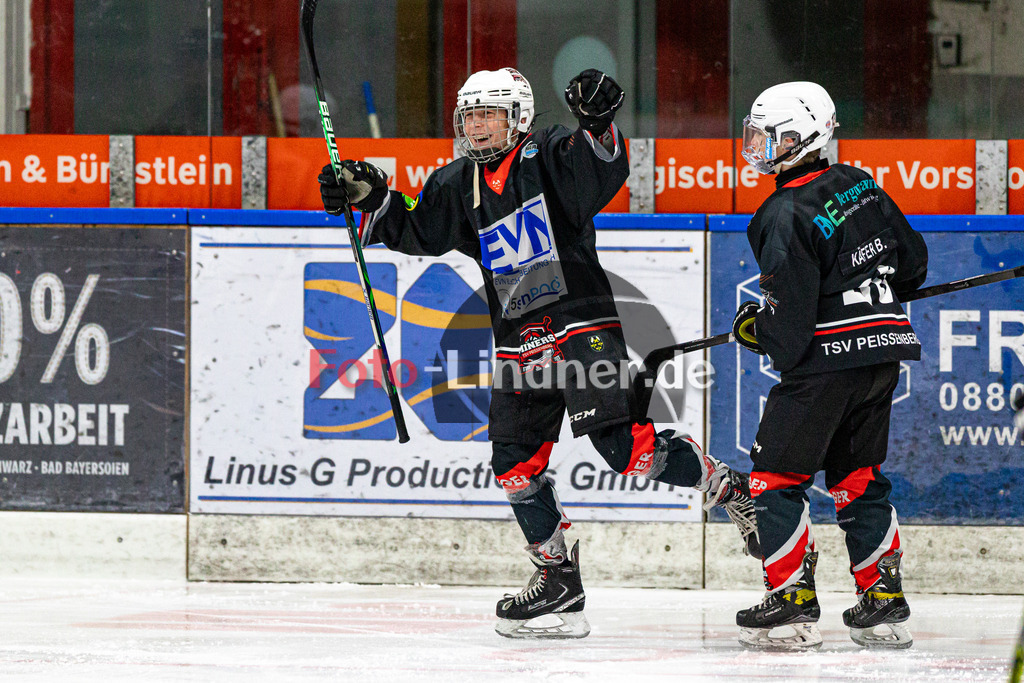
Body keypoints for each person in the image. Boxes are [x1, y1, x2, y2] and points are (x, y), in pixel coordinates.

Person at [318, 67, 759, 639]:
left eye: (490, 114)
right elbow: (417, 226)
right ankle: (557, 577)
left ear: (518, 117)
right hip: (519, 340)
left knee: (627, 451)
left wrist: (597, 124)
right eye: (470, 115)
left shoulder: (547, 152)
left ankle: (730, 489)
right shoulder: (458, 182)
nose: (477, 126)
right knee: (514, 465)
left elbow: (594, 170)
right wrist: (371, 196)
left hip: (582, 326)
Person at [730, 81, 928, 650]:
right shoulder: (862, 185)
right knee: (857, 479)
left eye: (775, 136)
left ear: (807, 136)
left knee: (773, 478)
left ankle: (791, 598)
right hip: (882, 356)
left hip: (823, 368)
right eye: (758, 135)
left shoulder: (783, 212)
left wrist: (756, 327)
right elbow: (912, 265)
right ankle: (882, 602)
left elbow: (788, 337)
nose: (762, 146)